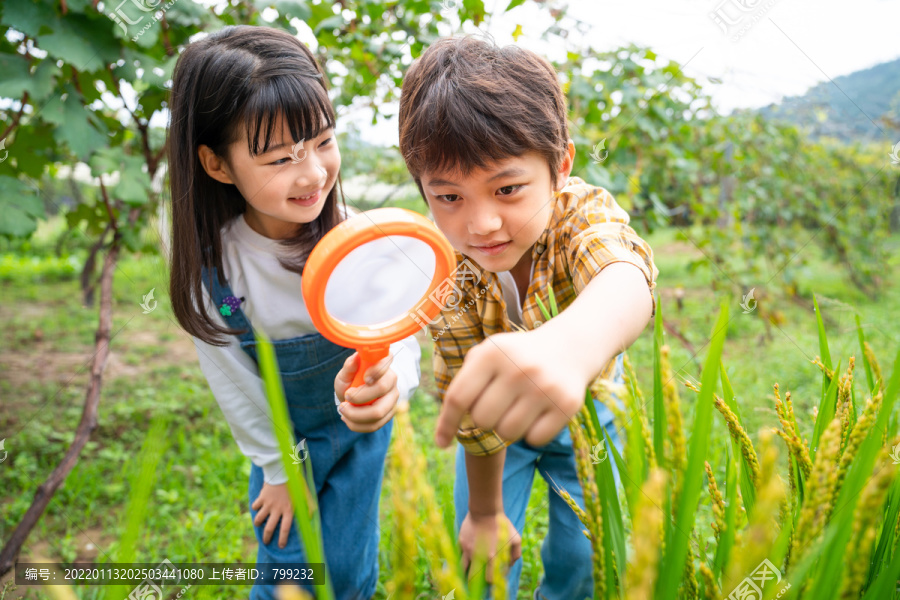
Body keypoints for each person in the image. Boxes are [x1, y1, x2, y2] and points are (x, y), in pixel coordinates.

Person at [398, 36, 658, 599]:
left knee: (588, 553)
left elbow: (623, 270)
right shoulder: (445, 277)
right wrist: (486, 514)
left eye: (508, 188)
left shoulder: (580, 215)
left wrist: (570, 346)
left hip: (590, 417)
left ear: (560, 166)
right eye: (449, 197)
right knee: (482, 562)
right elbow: (473, 419)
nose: (482, 223)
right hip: (497, 430)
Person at [166, 25, 420, 600]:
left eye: (322, 142)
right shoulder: (217, 270)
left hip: (359, 434)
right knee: (290, 570)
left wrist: (392, 384)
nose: (311, 175)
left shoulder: (350, 238)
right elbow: (234, 380)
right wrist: (280, 472)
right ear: (217, 164)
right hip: (283, 438)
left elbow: (395, 330)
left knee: (349, 570)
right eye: (280, 158)